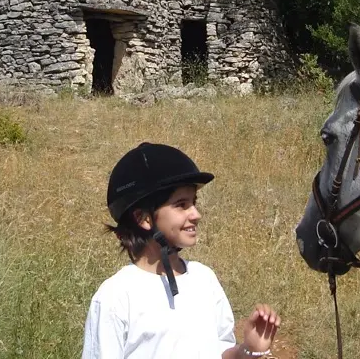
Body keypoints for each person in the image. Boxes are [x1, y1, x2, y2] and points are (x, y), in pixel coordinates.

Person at [81, 142, 282, 359]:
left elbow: (220, 351)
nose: (196, 214)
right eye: (181, 204)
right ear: (144, 218)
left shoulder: (204, 279)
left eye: (194, 202)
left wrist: (248, 350)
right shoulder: (116, 297)